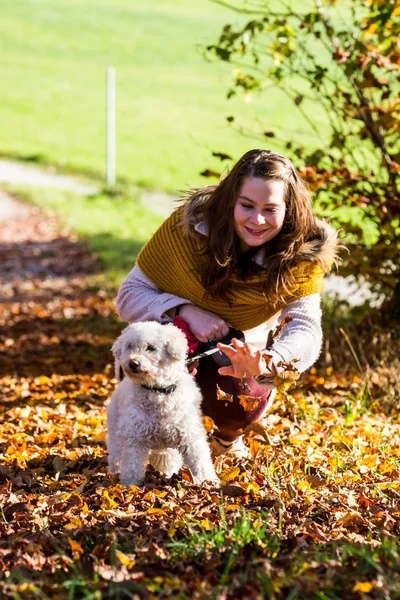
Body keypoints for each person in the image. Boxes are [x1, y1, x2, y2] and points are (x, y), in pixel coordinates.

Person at [116, 149, 339, 457]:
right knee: (145, 377)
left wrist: (272, 360)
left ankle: (227, 438)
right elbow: (129, 294)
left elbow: (306, 327)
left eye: (270, 209)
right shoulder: (188, 229)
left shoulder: (301, 257)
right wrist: (184, 310)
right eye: (246, 205)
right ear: (231, 199)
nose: (257, 219)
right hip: (173, 344)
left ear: (289, 210)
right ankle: (161, 439)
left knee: (243, 398)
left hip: (237, 352)